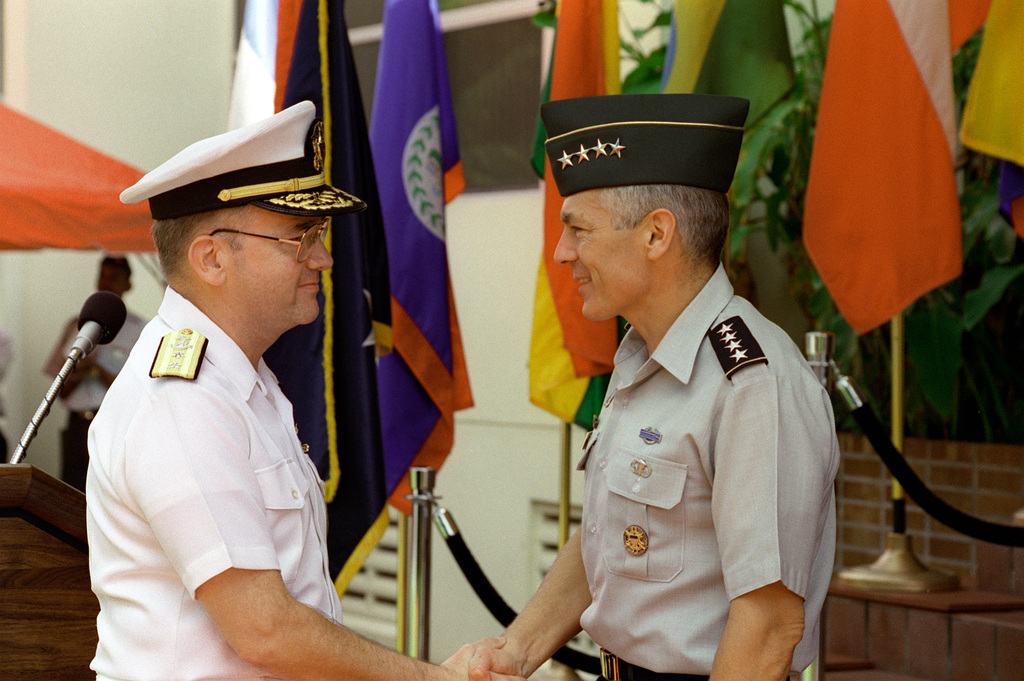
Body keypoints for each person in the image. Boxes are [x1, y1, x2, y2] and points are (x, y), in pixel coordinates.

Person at [88, 101, 523, 681]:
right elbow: (265, 630)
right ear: (212, 257)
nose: (323, 257)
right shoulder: (182, 400)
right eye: (299, 237)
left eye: (318, 233)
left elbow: (294, 609)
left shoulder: (243, 381)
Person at [454, 94, 840, 681]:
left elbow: (767, 629)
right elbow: (616, 546)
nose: (562, 254)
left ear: (657, 235)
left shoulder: (751, 384)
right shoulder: (640, 356)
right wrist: (515, 652)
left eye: (578, 229)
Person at [43, 255, 145, 490]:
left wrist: (98, 370)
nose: (106, 283)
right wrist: (79, 371)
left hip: (114, 422)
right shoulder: (77, 326)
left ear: (128, 285)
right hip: (77, 425)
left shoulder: (140, 329)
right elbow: (59, 389)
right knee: (70, 493)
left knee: (108, 490)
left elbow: (136, 389)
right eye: (102, 275)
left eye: (114, 278)